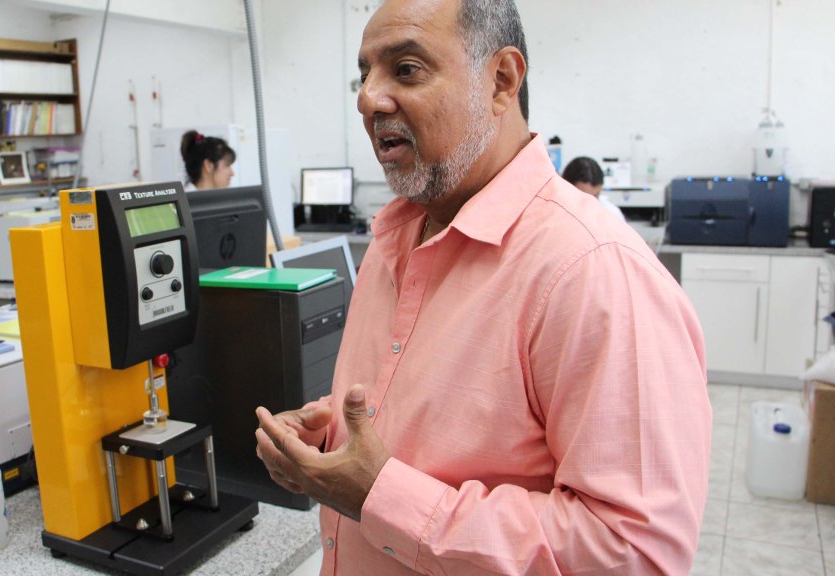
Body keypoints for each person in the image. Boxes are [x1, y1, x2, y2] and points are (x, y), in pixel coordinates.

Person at [254, 0, 711, 574]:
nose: (368, 98)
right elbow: (413, 412)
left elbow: (634, 552)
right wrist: (326, 433)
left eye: (406, 69)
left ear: (501, 81)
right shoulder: (394, 239)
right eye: (364, 74)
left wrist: (381, 496)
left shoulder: (592, 271)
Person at [563, 156, 626, 222]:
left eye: (596, 196)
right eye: (585, 198)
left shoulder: (612, 213)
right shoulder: (558, 214)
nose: (591, 204)